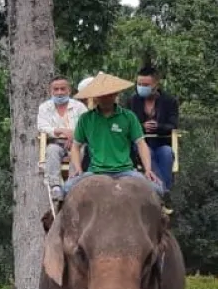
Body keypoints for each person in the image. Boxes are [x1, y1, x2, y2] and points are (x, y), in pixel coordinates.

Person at [64, 72, 164, 196]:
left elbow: (141, 144)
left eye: (109, 93)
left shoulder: (129, 117)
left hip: (126, 171)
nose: (105, 97)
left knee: (159, 189)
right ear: (95, 96)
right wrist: (78, 168)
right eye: (101, 94)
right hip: (95, 171)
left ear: (116, 94)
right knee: (66, 189)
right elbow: (75, 146)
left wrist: (148, 169)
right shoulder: (85, 119)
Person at [125, 63, 179, 192]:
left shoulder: (169, 101)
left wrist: (158, 127)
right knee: (147, 152)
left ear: (156, 84)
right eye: (139, 84)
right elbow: (126, 125)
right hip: (141, 144)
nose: (141, 87)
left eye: (146, 85)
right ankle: (164, 192)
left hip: (162, 143)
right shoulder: (132, 101)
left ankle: (161, 190)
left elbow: (173, 125)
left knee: (167, 153)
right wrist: (142, 127)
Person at [37, 75, 88, 201]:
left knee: (80, 151)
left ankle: (72, 183)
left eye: (62, 89)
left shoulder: (79, 107)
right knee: (51, 151)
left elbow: (87, 125)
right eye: (56, 89)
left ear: (69, 90)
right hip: (56, 142)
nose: (59, 92)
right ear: (51, 91)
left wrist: (75, 136)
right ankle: (55, 186)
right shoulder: (44, 107)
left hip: (77, 143)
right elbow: (42, 127)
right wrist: (61, 130)